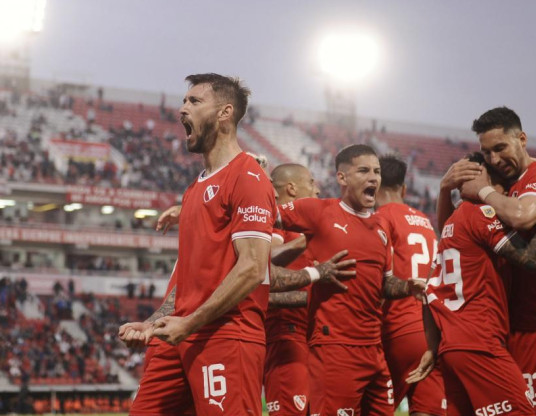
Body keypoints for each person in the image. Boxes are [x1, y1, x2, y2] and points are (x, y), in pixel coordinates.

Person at [118, 74, 353, 416]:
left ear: (225, 112)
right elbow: (186, 280)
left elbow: (253, 269)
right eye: (184, 101)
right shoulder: (195, 188)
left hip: (226, 336)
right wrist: (153, 323)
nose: (183, 108)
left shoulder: (247, 177)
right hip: (182, 333)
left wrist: (190, 322)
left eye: (194, 101)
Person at [408, 152, 536, 416]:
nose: (506, 193)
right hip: (480, 344)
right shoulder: (483, 214)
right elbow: (533, 259)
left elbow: (428, 293)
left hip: (450, 350)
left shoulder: (450, 228)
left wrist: (433, 348)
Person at [276, 144, 425, 416]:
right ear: (342, 178)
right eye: (364, 171)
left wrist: (406, 287)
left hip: (374, 349)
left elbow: (385, 284)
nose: (374, 178)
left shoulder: (382, 227)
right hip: (334, 349)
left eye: (377, 172)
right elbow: (262, 215)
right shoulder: (318, 211)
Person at [457, 107, 536, 415]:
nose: (493, 159)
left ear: (522, 139)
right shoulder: (506, 186)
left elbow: (523, 215)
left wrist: (482, 191)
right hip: (503, 329)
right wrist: (444, 189)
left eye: (500, 148)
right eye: (486, 152)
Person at [376, 155, 445, 416]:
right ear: (404, 189)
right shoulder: (426, 223)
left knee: (369, 408)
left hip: (396, 331)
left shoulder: (380, 219)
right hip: (431, 331)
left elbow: (378, 278)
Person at [264, 163, 319, 416]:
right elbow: (267, 261)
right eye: (311, 182)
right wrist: (306, 241)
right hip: (287, 333)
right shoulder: (274, 219)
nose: (316, 189)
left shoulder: (312, 224)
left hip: (317, 336)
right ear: (292, 188)